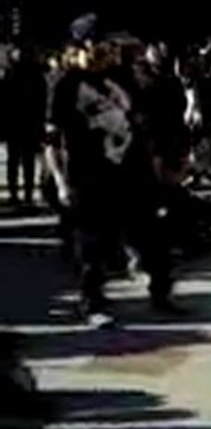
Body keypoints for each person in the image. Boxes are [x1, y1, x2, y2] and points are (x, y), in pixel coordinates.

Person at [48, 42, 177, 327]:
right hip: (90, 173)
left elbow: (141, 122)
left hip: (132, 169)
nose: (102, 54)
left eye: (107, 48)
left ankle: (161, 292)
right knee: (93, 244)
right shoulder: (66, 85)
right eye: (94, 48)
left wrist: (156, 163)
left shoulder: (121, 78)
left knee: (151, 234)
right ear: (77, 50)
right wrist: (61, 181)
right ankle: (92, 302)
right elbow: (52, 139)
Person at [3, 44, 47, 208]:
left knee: (14, 160)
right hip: (30, 122)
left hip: (14, 123)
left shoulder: (10, 74)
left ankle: (15, 193)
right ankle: (27, 193)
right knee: (28, 160)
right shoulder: (37, 75)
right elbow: (42, 101)